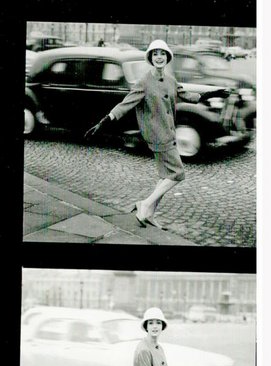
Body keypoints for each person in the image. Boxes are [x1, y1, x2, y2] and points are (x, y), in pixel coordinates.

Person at [85, 40, 201, 229]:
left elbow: (186, 94)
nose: (159, 57)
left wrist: (212, 95)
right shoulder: (144, 82)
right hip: (157, 136)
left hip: (169, 133)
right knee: (178, 173)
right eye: (155, 54)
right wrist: (104, 120)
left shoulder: (171, 79)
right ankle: (145, 205)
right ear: (150, 58)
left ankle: (149, 215)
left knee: (165, 177)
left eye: (162, 53)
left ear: (168, 57)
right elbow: (126, 103)